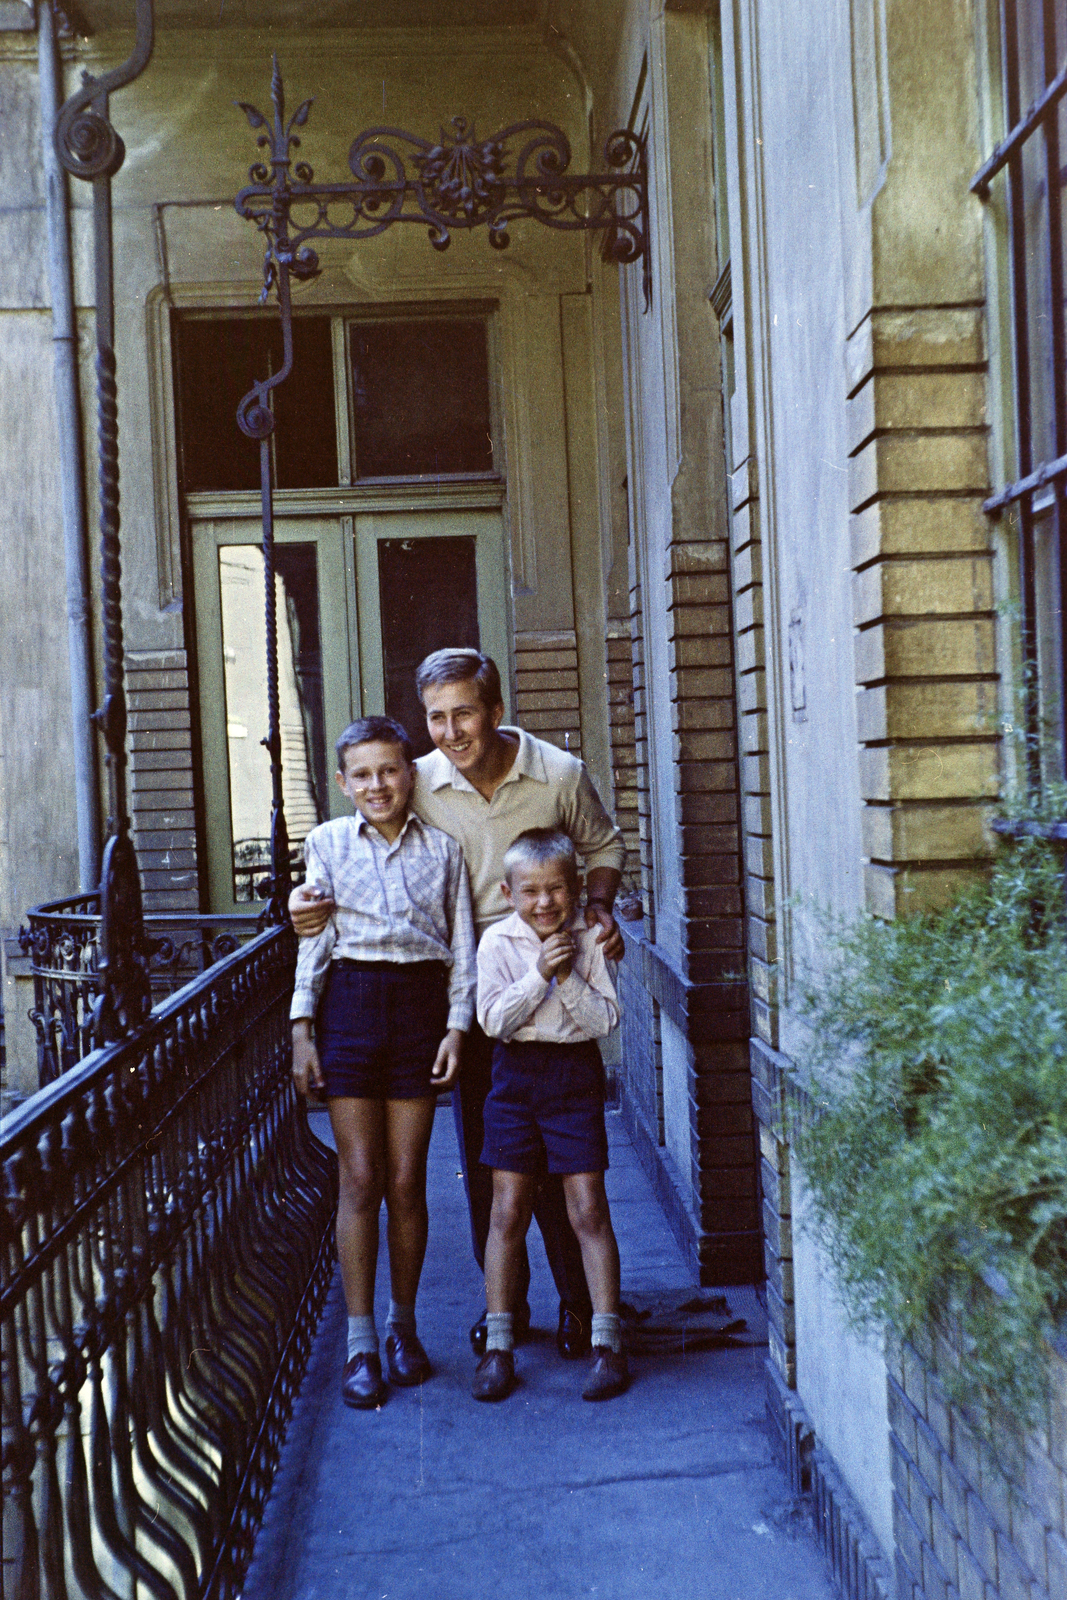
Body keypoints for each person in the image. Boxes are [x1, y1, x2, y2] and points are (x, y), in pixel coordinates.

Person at [290, 649, 626, 1361]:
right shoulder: (420, 782)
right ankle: (504, 1305)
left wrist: (597, 908)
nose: (450, 732)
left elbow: (602, 843)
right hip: (477, 994)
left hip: (553, 984)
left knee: (566, 1163)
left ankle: (578, 1304)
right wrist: (302, 905)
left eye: (464, 714)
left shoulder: (558, 775)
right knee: (488, 1164)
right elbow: (359, 856)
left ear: (495, 712)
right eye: (436, 718)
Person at [290, 715, 476, 1409]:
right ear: (343, 783)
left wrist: (456, 1027)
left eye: (389, 770)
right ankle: (359, 1340)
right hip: (351, 1006)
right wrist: (302, 1026)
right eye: (362, 774)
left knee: (406, 1180)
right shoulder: (327, 844)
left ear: (410, 775)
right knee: (359, 1177)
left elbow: (463, 947)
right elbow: (314, 937)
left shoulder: (444, 850)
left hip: (419, 1010)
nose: (377, 785)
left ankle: (403, 1327)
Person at [472, 828, 627, 1402]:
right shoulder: (496, 945)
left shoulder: (590, 942)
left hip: (572, 1076)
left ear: (576, 888)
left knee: (587, 1208)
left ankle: (608, 1343)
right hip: (513, 1080)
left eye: (557, 890)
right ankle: (500, 1343)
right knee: (506, 1210)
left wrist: (565, 975)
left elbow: (604, 1022)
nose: (545, 903)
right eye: (531, 891)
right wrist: (538, 973)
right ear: (509, 893)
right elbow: (492, 1021)